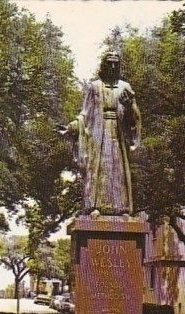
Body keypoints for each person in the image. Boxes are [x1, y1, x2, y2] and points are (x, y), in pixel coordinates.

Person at [62, 51, 141, 215]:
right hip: (99, 133)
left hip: (118, 135)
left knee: (117, 169)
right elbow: (85, 114)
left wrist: (129, 106)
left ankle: (121, 208)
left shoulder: (125, 87)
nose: (113, 66)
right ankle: (95, 206)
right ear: (103, 65)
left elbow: (135, 117)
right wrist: (71, 127)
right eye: (109, 62)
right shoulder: (94, 87)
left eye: (116, 63)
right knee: (99, 169)